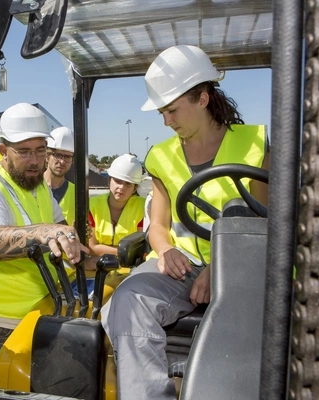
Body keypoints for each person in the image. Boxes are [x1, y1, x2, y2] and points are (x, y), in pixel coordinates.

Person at [101, 45, 269, 399]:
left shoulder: (257, 144)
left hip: (244, 264)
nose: (166, 121)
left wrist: (222, 269)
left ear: (203, 99)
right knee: (126, 300)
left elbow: (265, 224)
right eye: (162, 112)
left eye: (172, 110)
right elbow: (158, 225)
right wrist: (163, 250)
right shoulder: (160, 156)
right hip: (183, 265)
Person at [0, 102, 88, 386]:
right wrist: (41, 232)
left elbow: (60, 228)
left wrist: (80, 251)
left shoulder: (33, 182)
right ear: (2, 151)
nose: (35, 161)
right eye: (23, 152)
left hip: (35, 314)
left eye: (40, 151)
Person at [88, 154, 145, 256]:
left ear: (135, 188)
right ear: (109, 181)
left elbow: (142, 249)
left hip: (133, 269)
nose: (121, 187)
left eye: (128, 183)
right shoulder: (92, 206)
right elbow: (91, 247)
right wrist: (124, 252)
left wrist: (102, 249)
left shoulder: (143, 208)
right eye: (117, 181)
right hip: (97, 267)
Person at [44, 127, 76, 226]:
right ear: (47, 156)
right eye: (57, 155)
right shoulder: (31, 188)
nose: (62, 162)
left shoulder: (76, 193)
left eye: (67, 156)